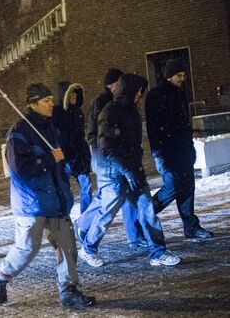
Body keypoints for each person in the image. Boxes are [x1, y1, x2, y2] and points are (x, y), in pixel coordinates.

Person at [0, 83, 94, 308]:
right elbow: (19, 169)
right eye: (45, 101)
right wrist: (49, 158)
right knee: (27, 249)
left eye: (50, 99)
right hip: (32, 204)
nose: (51, 104)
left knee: (67, 246)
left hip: (56, 200)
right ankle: (1, 275)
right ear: (33, 104)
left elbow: (62, 157)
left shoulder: (50, 128)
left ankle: (68, 291)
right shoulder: (18, 132)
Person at [77, 74, 182, 268]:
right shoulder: (110, 111)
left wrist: (134, 164)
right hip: (114, 174)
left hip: (134, 170)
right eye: (138, 90)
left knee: (147, 209)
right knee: (106, 213)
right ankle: (88, 248)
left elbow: (132, 142)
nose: (140, 93)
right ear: (129, 90)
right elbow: (107, 146)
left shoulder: (131, 111)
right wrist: (125, 168)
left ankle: (157, 252)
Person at [145, 59, 213, 239]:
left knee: (187, 187)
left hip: (182, 149)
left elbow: (184, 124)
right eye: (179, 75)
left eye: (183, 75)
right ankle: (144, 215)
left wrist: (190, 148)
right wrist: (158, 154)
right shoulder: (155, 96)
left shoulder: (179, 94)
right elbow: (153, 127)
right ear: (169, 76)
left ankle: (191, 226)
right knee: (173, 186)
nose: (182, 78)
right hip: (168, 151)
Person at [84, 68, 146, 248]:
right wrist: (98, 155)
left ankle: (134, 235)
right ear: (109, 85)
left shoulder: (124, 104)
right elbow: (94, 133)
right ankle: (85, 232)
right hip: (106, 158)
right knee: (107, 201)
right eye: (115, 84)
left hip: (119, 157)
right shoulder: (102, 103)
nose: (117, 87)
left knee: (124, 197)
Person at [51, 82, 92, 213]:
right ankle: (64, 217)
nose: (74, 96)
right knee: (64, 190)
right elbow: (56, 136)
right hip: (65, 159)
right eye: (71, 93)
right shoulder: (56, 113)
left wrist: (84, 154)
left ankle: (86, 217)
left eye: (76, 93)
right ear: (65, 94)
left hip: (79, 158)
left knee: (86, 186)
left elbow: (80, 136)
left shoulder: (78, 112)